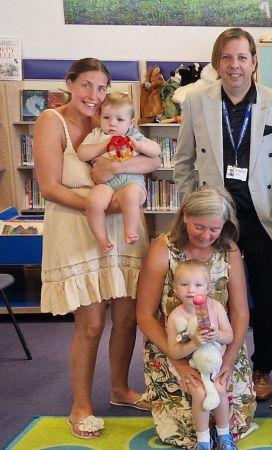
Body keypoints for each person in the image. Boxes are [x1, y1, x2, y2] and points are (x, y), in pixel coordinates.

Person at [33, 57, 158, 439]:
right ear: (70, 83)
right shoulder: (50, 121)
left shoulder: (114, 119)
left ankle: (120, 389)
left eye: (101, 87)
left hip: (124, 231)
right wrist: (103, 201)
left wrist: (117, 176)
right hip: (78, 227)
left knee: (126, 318)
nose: (94, 95)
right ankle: (81, 406)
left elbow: (150, 162)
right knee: (90, 324)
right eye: (86, 85)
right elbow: (49, 186)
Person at [173, 27, 272, 401]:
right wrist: (193, 212)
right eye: (227, 58)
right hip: (215, 217)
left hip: (262, 217)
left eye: (242, 57)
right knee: (209, 295)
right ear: (217, 62)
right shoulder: (196, 101)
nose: (235, 65)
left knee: (264, 295)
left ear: (255, 62)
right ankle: (216, 361)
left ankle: (262, 367)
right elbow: (183, 162)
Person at [137, 187, 256, 449]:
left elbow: (239, 312)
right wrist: (176, 360)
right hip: (174, 344)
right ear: (185, 217)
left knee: (234, 421)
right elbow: (144, 316)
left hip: (219, 342)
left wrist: (230, 358)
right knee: (185, 429)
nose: (206, 235)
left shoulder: (229, 250)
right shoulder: (163, 248)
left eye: (214, 229)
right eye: (199, 227)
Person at [76, 92, 161, 252]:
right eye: (106, 118)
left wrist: (139, 145)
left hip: (130, 182)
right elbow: (82, 154)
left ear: (131, 123)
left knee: (130, 197)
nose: (112, 124)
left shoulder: (133, 135)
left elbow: (156, 151)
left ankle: (130, 231)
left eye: (119, 119)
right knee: (93, 202)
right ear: (99, 117)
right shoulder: (97, 135)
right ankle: (102, 239)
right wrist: (104, 144)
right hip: (105, 183)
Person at [165, 260, 236, 450]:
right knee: (199, 393)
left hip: (216, 363)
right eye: (184, 284)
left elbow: (229, 336)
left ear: (207, 287)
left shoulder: (215, 308)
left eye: (198, 285)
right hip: (192, 366)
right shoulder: (176, 317)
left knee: (220, 390)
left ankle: (224, 436)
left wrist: (218, 335)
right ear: (175, 287)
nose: (191, 290)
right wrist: (195, 342)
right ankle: (203, 439)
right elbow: (174, 351)